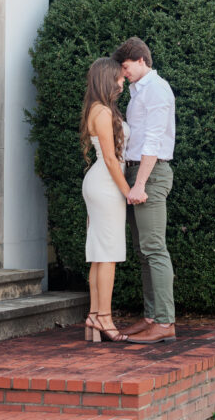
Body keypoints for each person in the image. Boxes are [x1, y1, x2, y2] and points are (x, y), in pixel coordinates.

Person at [112, 37, 177, 343]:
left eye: (125, 67)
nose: (123, 74)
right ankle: (152, 317)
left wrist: (139, 184)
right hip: (139, 172)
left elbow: (152, 140)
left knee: (154, 248)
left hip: (150, 175)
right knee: (144, 252)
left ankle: (165, 322)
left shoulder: (157, 90)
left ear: (140, 60)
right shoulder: (139, 92)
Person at [80, 56, 131, 343]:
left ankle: (94, 315)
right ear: (106, 79)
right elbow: (111, 160)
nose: (122, 81)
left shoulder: (99, 109)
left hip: (101, 183)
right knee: (108, 254)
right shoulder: (101, 112)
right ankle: (104, 318)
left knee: (100, 253)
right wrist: (127, 191)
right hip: (106, 184)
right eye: (118, 77)